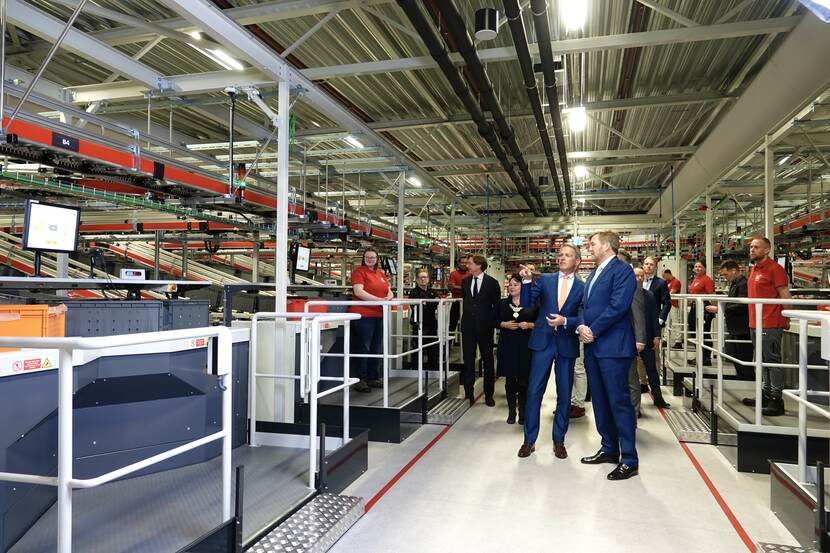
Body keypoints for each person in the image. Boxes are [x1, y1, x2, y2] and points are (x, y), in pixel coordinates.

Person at [578, 232, 639, 481]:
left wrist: (593, 330)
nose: (589, 247)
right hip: (593, 346)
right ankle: (609, 448)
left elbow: (618, 306)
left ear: (605, 245)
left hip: (613, 347)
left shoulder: (622, 271)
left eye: (592, 244)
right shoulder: (594, 273)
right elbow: (583, 306)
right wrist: (581, 326)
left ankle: (629, 459)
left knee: (619, 402)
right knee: (600, 401)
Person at [517, 244, 584, 459]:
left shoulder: (583, 287)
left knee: (564, 394)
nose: (562, 258)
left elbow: (583, 316)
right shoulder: (545, 280)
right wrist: (527, 282)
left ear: (577, 261)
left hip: (566, 344)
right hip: (542, 343)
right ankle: (529, 440)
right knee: (534, 391)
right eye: (560, 254)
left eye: (567, 255)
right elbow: (526, 304)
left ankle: (559, 440)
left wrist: (566, 321)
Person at [741, 237, 791, 416]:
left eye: (756, 247)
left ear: (767, 250)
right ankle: (766, 394)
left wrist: (787, 316)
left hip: (770, 322)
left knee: (772, 361)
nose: (752, 250)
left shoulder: (775, 269)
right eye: (751, 247)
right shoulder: (755, 269)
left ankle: (777, 399)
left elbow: (784, 293)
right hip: (755, 322)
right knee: (762, 361)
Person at [350, 248, 393, 393]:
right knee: (364, 347)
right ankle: (360, 379)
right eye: (367, 257)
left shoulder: (380, 273)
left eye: (373, 257)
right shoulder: (359, 272)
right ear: (363, 258)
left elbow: (389, 290)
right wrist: (379, 300)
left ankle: (373, 377)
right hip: (364, 315)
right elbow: (358, 291)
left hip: (379, 314)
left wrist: (388, 298)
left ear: (377, 259)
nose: (370, 259)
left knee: (376, 347)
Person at [496, 275, 537, 425]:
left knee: (524, 381)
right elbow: (492, 320)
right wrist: (503, 324)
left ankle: (523, 413)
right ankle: (511, 412)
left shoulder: (532, 304)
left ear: (523, 287)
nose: (511, 287)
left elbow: (541, 322)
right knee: (510, 381)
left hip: (525, 345)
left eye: (515, 284)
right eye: (510, 284)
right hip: (508, 345)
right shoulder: (502, 304)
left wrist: (530, 325)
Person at [460, 254, 501, 406]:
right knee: (468, 360)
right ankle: (468, 394)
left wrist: (492, 322)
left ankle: (489, 395)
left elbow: (496, 306)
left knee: (488, 361)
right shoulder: (465, 282)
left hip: (485, 328)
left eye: (470, 263)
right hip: (468, 328)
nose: (467, 266)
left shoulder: (492, 283)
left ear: (479, 265)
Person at [628, 267, 669, 413]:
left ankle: (658, 397)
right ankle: (634, 407)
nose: (639, 278)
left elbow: (654, 316)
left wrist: (657, 336)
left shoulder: (649, 295)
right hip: (629, 339)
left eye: (641, 276)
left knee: (652, 369)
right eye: (636, 276)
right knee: (631, 374)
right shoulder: (626, 295)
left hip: (647, 338)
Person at [706, 261, 753, 380]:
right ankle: (742, 379)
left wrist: (720, 309)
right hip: (736, 327)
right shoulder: (735, 283)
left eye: (726, 274)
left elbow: (742, 304)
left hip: (742, 328)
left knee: (743, 358)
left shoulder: (743, 284)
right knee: (737, 357)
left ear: (734, 271)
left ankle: (748, 381)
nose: (725, 277)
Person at [408, 269, 438, 372]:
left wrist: (427, 304)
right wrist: (429, 304)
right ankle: (416, 370)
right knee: (418, 348)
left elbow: (434, 305)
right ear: (416, 279)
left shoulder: (432, 291)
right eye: (420, 277)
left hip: (432, 323)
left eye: (425, 277)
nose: (423, 279)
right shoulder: (413, 292)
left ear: (428, 279)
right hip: (419, 324)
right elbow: (417, 307)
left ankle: (433, 371)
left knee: (433, 348)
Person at [688, 261, 715, 365]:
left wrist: (713, 308)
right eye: (696, 266)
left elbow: (711, 295)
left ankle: (706, 357)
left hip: (704, 308)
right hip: (694, 308)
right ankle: (699, 355)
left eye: (700, 266)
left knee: (704, 332)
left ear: (705, 268)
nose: (697, 268)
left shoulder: (707, 280)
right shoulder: (695, 279)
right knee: (694, 331)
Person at [447, 255, 470, 333]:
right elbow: (451, 287)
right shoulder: (454, 274)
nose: (464, 264)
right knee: (452, 324)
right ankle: (450, 340)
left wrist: (457, 288)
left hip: (468, 303)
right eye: (462, 262)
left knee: (468, 325)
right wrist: (466, 288)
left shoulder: (471, 274)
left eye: (466, 263)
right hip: (456, 302)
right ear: (458, 263)